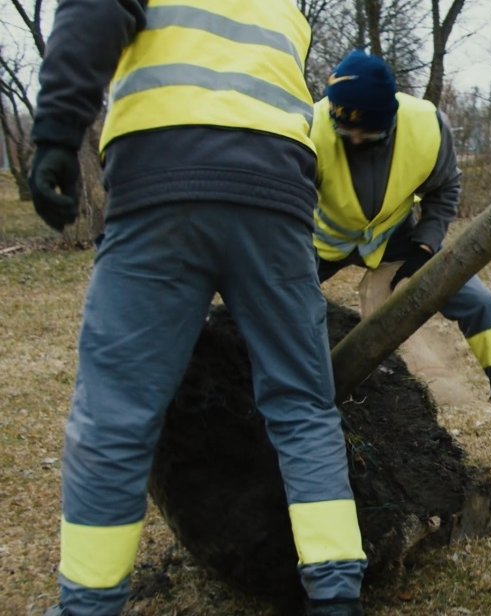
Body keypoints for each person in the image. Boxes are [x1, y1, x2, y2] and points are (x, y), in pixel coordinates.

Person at [28, 2, 366, 615]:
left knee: (117, 413)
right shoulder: (285, 8)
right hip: (278, 193)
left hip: (162, 184)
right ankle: (336, 595)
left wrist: (55, 130)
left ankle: (88, 606)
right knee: (304, 406)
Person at [311, 50, 491, 481]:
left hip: (399, 241)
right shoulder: (307, 131)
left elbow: (445, 189)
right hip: (319, 247)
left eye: (365, 135)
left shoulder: (426, 126)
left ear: (388, 120)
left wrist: (423, 250)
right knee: (272, 315)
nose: (353, 142)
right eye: (344, 131)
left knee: (482, 306)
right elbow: (280, 209)